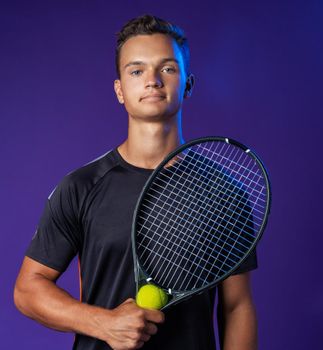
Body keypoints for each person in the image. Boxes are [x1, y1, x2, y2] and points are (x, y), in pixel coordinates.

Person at [14, 14, 258, 350]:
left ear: (188, 84)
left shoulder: (224, 191)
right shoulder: (82, 186)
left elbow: (237, 306)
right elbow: (28, 289)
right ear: (120, 90)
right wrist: (104, 323)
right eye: (137, 70)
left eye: (168, 69)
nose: (153, 81)